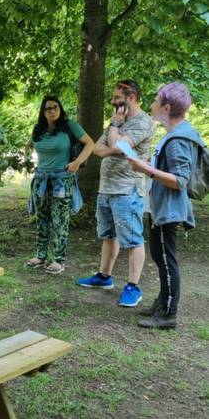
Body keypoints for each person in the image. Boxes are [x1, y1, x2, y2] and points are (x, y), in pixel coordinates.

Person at [127, 82, 204, 329]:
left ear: (167, 107)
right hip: (162, 206)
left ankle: (169, 313)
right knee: (160, 258)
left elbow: (179, 180)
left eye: (156, 100)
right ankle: (162, 304)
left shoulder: (178, 139)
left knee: (166, 260)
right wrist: (150, 164)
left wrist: (146, 169)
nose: (152, 104)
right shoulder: (175, 135)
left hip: (168, 209)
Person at [76, 80, 155, 307]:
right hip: (107, 188)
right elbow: (99, 150)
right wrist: (115, 137)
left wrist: (115, 133)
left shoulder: (142, 122)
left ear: (131, 98)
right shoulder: (118, 121)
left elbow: (117, 146)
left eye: (117, 98)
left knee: (132, 238)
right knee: (108, 234)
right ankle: (104, 276)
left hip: (127, 189)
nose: (113, 102)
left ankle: (133, 287)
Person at [26, 96, 94, 274]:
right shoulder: (38, 130)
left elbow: (90, 143)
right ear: (43, 111)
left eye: (56, 107)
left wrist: (77, 162)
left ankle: (58, 260)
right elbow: (31, 147)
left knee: (60, 220)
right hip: (41, 179)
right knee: (42, 219)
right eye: (49, 108)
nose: (53, 110)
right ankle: (41, 256)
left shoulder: (69, 126)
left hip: (62, 180)